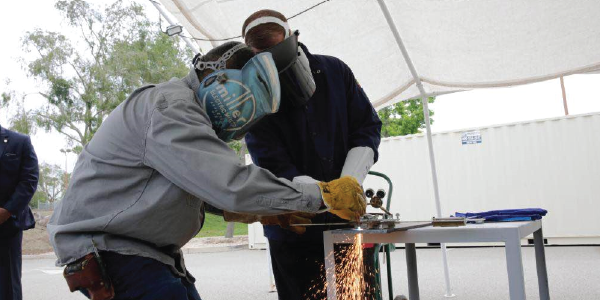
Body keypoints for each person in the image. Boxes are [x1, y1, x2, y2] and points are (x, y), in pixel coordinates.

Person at [48, 41, 366, 300]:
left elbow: (200, 190)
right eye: (246, 105)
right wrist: (322, 194)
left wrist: (262, 213)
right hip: (116, 252)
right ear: (221, 79)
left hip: (142, 253)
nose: (244, 121)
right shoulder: (170, 106)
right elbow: (231, 185)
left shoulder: (181, 112)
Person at [242, 10, 383, 300]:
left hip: (346, 223)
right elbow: (270, 160)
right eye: (263, 58)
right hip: (294, 229)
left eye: (278, 54)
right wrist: (323, 195)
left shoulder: (335, 71)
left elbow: (367, 127)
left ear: (294, 39)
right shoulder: (254, 95)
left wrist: (348, 184)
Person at [0, 125, 39, 300]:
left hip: (7, 226)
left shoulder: (19, 142)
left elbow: (29, 179)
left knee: (8, 287)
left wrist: (7, 211)